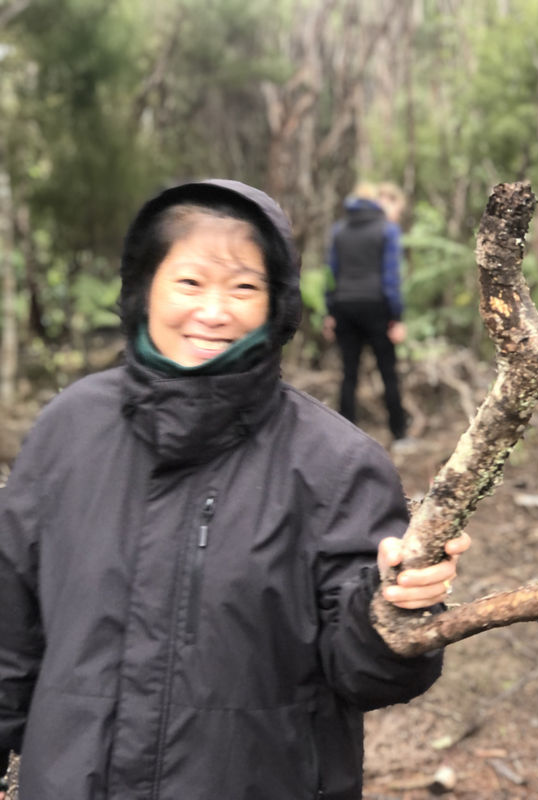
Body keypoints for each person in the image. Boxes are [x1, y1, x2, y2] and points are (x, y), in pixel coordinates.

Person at [0, 179, 470, 800]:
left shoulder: (336, 464)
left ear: (276, 304)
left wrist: (394, 609)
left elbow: (367, 675)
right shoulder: (69, 430)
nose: (214, 311)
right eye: (190, 282)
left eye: (244, 287)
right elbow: (10, 631)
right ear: (144, 288)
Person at [323, 181, 410, 448]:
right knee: (388, 373)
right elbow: (391, 278)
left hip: (344, 306)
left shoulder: (340, 229)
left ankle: (343, 438)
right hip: (377, 307)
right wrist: (397, 318)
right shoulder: (387, 229)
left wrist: (330, 312)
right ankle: (399, 435)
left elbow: (331, 273)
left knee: (349, 374)